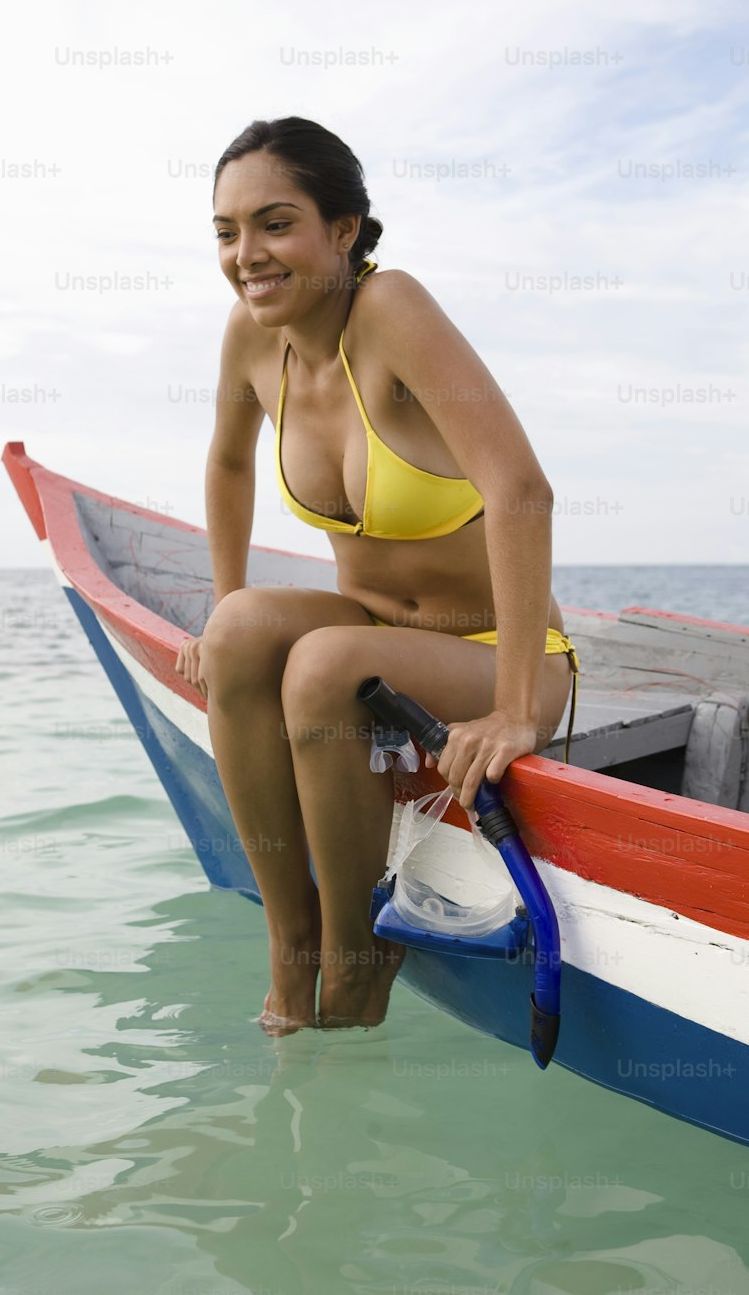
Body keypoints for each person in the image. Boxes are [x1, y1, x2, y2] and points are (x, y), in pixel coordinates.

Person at [174, 117, 578, 1037]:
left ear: (344, 229)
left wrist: (515, 707)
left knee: (322, 665)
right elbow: (230, 464)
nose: (247, 255)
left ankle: (360, 958)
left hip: (496, 650)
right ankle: (292, 942)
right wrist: (218, 599)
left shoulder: (390, 310)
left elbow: (521, 491)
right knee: (239, 630)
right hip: (371, 620)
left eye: (275, 224)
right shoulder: (250, 337)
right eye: (227, 232)